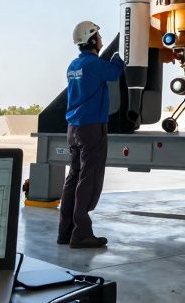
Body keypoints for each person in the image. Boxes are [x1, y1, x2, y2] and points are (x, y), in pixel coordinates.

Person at [58, 20, 124, 248]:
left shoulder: (74, 65)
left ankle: (65, 232)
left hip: (73, 128)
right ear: (92, 39)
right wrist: (119, 56)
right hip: (91, 127)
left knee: (73, 178)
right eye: (98, 36)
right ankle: (82, 234)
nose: (101, 39)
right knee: (89, 178)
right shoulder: (94, 64)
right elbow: (115, 73)